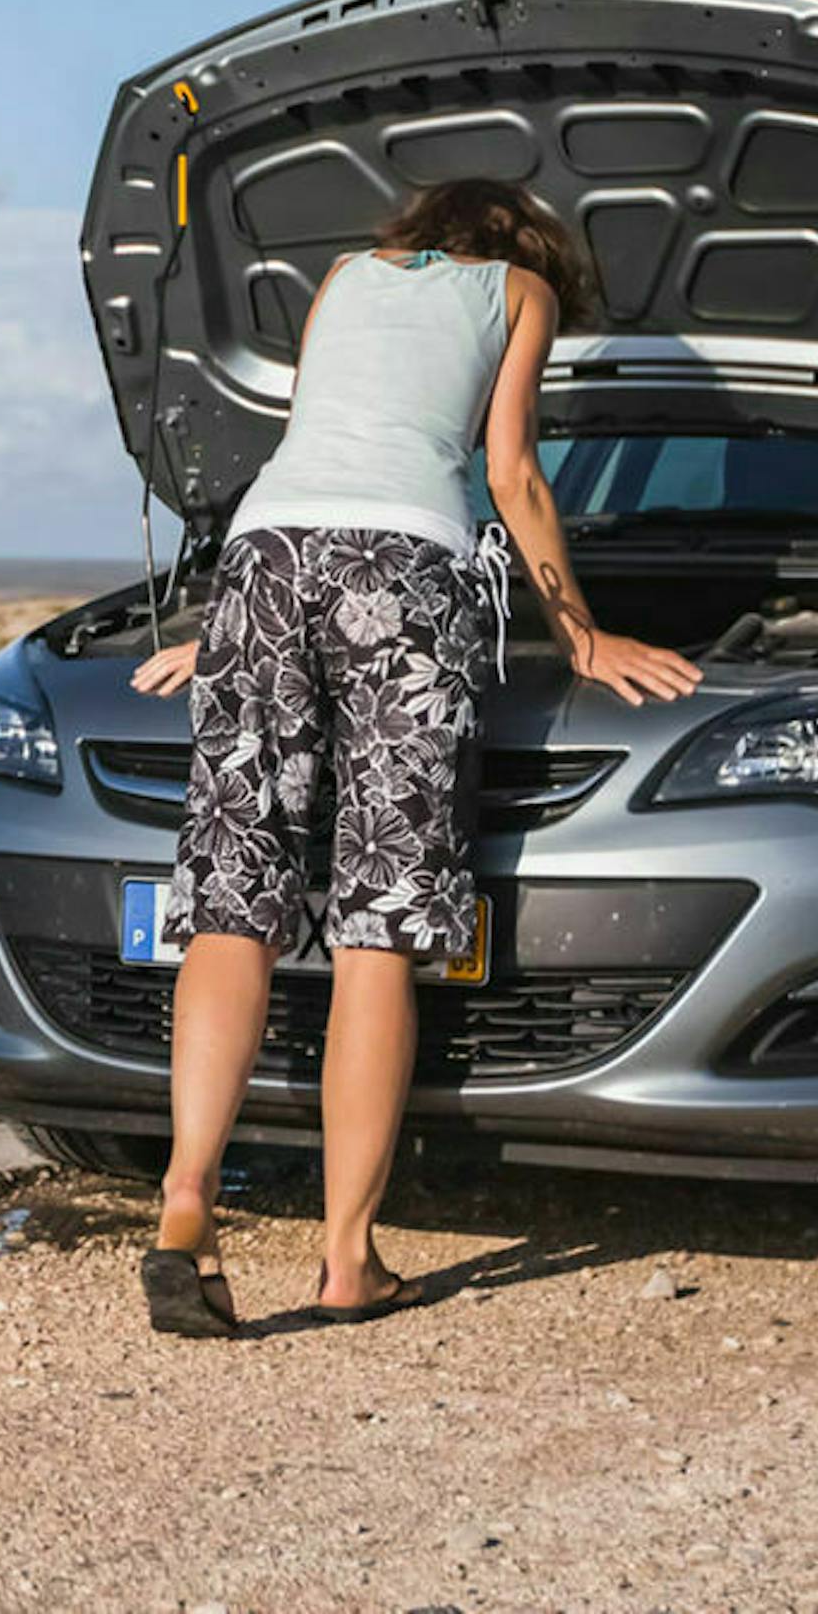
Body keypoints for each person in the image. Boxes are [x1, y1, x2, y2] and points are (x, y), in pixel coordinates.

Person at [127, 176, 700, 1333]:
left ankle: (186, 1200)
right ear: (527, 243)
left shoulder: (345, 276)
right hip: (406, 570)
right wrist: (583, 638)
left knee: (232, 898)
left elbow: (321, 448)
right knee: (379, 923)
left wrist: (224, 636)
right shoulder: (521, 291)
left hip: (263, 563)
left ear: (418, 225)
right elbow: (511, 472)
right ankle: (347, 1260)